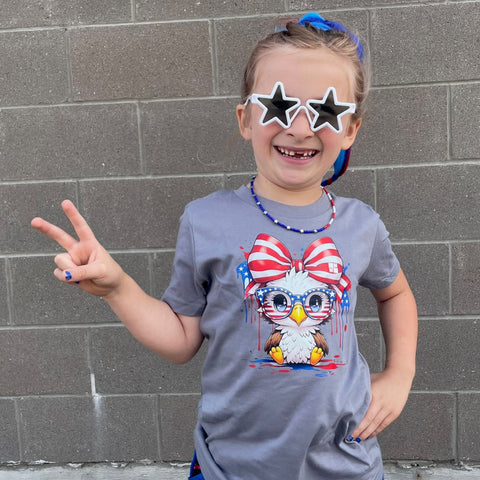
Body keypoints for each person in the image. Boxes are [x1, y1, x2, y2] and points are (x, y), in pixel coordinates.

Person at [31, 12, 417, 480]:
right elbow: (181, 341)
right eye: (279, 105)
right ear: (245, 119)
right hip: (230, 467)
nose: (300, 128)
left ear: (351, 128)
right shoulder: (204, 221)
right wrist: (118, 288)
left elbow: (395, 293)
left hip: (344, 465)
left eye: (325, 111)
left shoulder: (362, 224)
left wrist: (400, 375)